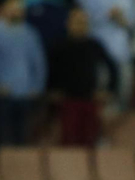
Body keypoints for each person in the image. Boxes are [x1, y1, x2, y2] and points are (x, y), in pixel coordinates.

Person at [0, 0, 48, 148]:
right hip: (3, 93)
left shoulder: (30, 34)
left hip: (25, 92)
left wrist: (37, 86)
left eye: (19, 10)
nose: (16, 13)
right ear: (4, 10)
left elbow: (38, 63)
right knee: (2, 135)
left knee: (22, 136)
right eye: (13, 9)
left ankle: (21, 162)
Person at [76, 0, 135, 106]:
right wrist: (107, 15)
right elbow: (81, 21)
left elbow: (134, 21)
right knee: (101, 99)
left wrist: (123, 20)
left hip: (122, 51)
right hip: (98, 52)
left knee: (123, 98)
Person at [50, 9, 119, 147]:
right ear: (68, 24)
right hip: (68, 99)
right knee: (69, 138)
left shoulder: (94, 45)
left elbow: (112, 67)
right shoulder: (59, 45)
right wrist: (52, 89)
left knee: (89, 139)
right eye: (77, 22)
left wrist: (109, 89)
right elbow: (51, 70)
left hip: (90, 98)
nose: (80, 25)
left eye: (83, 22)